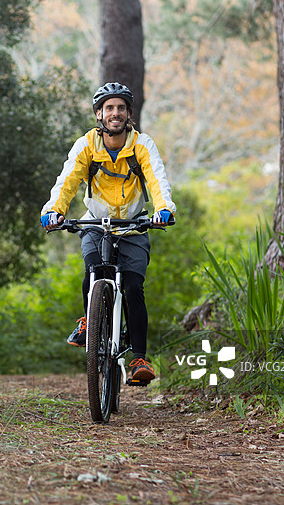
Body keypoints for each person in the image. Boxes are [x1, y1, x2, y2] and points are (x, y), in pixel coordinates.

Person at [40, 82, 176, 384]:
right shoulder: (87, 144)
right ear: (99, 114)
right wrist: (54, 209)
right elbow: (68, 178)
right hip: (96, 224)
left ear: (128, 114)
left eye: (121, 108)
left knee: (133, 287)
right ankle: (89, 320)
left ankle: (139, 357)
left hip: (134, 224)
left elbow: (156, 178)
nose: (115, 113)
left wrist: (164, 208)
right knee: (92, 267)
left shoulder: (142, 145)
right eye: (109, 108)